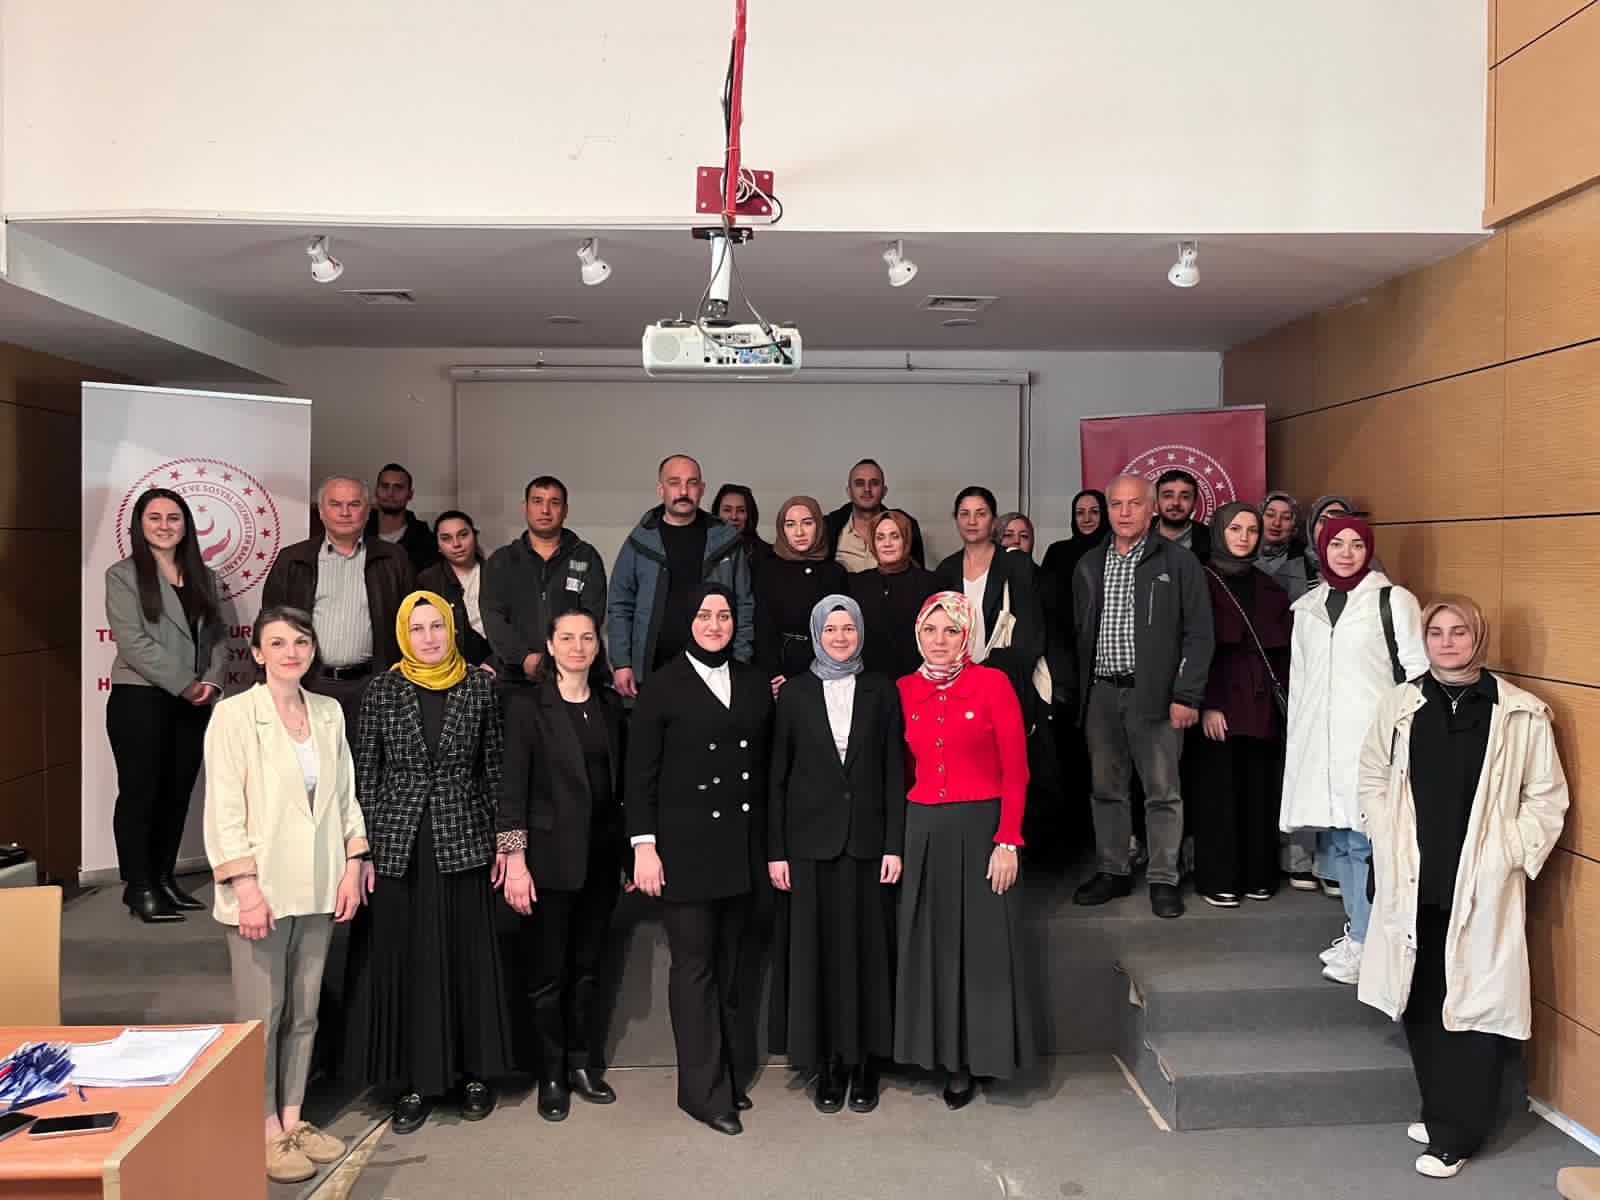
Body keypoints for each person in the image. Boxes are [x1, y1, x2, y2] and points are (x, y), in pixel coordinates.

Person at [1357, 595, 1568, 1179]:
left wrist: (1510, 851)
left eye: (1459, 632)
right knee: (1422, 997)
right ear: (1424, 639)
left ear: (1478, 637)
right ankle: (1439, 1110)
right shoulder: (1401, 704)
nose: (1447, 642)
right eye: (1436, 632)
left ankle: (1458, 1134)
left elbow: (1546, 797)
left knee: (1475, 1004)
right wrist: (1385, 833)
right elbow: (1372, 773)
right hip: (1414, 876)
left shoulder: (1520, 713)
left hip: (1481, 880)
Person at [202, 606, 371, 1185]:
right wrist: (245, 888)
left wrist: (353, 864)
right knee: (262, 1016)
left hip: (318, 885)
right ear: (257, 653)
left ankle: (294, 1118)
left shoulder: (327, 712)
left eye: (301, 641)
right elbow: (224, 810)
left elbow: (346, 796)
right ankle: (263, 1128)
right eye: (277, 643)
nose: (291, 652)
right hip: (262, 891)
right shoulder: (233, 716)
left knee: (303, 1013)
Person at [345, 591, 511, 1133]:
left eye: (437, 626)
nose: (429, 638)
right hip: (400, 846)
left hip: (465, 840)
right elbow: (367, 775)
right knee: (410, 961)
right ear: (403, 635)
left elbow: (495, 770)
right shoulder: (382, 690)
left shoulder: (480, 687)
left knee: (467, 958)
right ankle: (414, 1082)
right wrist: (365, 851)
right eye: (417, 629)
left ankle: (474, 1075)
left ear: (452, 629)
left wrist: (504, 844)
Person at [626, 583, 772, 1136]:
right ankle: (702, 1093)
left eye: (724, 615)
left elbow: (765, 770)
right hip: (683, 851)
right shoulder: (662, 686)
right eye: (705, 614)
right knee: (695, 970)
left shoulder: (754, 682)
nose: (715, 624)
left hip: (740, 847)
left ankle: (726, 1077)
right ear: (688, 620)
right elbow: (639, 776)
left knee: (731, 970)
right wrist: (643, 847)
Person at [767, 594, 904, 1115]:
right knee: (817, 956)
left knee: (866, 955)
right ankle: (825, 1063)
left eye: (848, 628)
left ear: (860, 632)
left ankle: (863, 1062)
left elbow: (894, 771)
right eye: (830, 629)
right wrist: (776, 851)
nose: (840, 637)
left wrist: (894, 844)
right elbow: (777, 778)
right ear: (816, 634)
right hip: (809, 846)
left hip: (867, 845)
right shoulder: (795, 693)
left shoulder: (882, 690)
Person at [894, 592, 1033, 1107]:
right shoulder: (904, 690)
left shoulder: (993, 683)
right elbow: (899, 772)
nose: (939, 640)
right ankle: (950, 1062)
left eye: (950, 630)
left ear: (966, 635)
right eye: (930, 630)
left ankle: (986, 1055)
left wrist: (1008, 839)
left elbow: (1016, 769)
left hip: (982, 831)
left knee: (985, 948)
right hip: (924, 830)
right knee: (938, 948)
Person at [1281, 517, 1427, 984]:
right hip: (1322, 748)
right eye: (1337, 544)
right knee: (1341, 842)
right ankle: (1360, 933)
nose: (1346, 553)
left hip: (1373, 742)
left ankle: (1372, 942)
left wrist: (1402, 736)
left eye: (1357, 544)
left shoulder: (1394, 600)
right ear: (1322, 550)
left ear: (1369, 550)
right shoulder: (1308, 608)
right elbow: (1300, 684)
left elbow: (1417, 674)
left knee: (1368, 843)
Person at [497, 609, 629, 1122]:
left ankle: (580, 1063)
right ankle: (550, 1073)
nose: (578, 646)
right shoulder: (528, 706)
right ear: (550, 647)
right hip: (548, 860)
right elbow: (512, 788)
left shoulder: (610, 705)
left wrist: (627, 854)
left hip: (601, 859)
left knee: (588, 969)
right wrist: (515, 861)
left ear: (597, 646)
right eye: (567, 638)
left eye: (587, 637)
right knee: (548, 974)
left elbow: (619, 787)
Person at [1071, 474, 1213, 919]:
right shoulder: (1089, 564)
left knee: (1162, 791)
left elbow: (1199, 633)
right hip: (1101, 692)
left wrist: (1187, 694)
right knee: (1106, 788)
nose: (1125, 512)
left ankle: (1164, 877)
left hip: (1156, 695)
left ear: (1152, 510)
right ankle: (1113, 870)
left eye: (1134, 504)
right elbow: (1079, 632)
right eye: (1116, 504)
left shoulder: (1178, 562)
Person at [104, 488, 227, 922]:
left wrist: (210, 680)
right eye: (154, 517)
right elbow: (133, 642)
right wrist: (186, 684)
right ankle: (139, 886)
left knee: (176, 794)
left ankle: (162, 877)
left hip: (193, 702)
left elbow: (217, 636)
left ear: (186, 525)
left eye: (173, 518)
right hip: (141, 697)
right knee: (141, 794)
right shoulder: (122, 575)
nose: (164, 525)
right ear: (140, 524)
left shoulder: (204, 576)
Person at [1191, 503, 1291, 907]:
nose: (1244, 537)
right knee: (1219, 791)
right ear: (1219, 531)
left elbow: (1282, 651)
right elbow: (1195, 647)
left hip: (1261, 703)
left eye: (1251, 529)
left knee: (1258, 789)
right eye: (1235, 528)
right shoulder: (1200, 580)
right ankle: (1219, 877)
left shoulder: (1270, 587)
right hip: (1220, 702)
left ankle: (1258, 874)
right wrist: (1209, 703)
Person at [261, 475, 414, 737]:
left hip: (373, 685)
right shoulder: (292, 560)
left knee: (365, 760)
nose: (345, 512)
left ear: (367, 511)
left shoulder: (394, 559)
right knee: (311, 759)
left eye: (354, 504)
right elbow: (269, 627)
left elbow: (411, 623)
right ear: (321, 512)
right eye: (335, 504)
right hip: (310, 684)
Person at [609, 454, 754, 697]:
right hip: (653, 670)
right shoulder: (639, 542)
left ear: (702, 489)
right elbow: (620, 605)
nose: (684, 491)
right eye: (674, 482)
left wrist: (740, 660)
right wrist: (622, 662)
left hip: (715, 669)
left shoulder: (725, 540)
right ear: (661, 489)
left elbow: (744, 604)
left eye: (692, 483)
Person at [481, 476, 607, 687]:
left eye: (554, 502)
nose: (545, 510)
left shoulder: (586, 556)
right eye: (537, 501)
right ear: (525, 507)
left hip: (574, 675)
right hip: (514, 677)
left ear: (565, 510)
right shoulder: (502, 560)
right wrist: (523, 657)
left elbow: (592, 615)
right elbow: (493, 616)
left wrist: (560, 658)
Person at [933, 486, 1045, 712]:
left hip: (1005, 682)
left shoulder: (1016, 564)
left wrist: (988, 674)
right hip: (957, 685)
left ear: (993, 521)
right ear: (956, 519)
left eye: (980, 513)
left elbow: (1030, 633)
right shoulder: (947, 569)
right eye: (964, 514)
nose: (972, 521)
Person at [753, 495, 849, 694]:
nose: (799, 532)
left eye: (807, 523)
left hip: (825, 672)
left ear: (819, 526)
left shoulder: (835, 573)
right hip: (779, 671)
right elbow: (763, 628)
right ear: (782, 529)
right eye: (790, 524)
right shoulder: (767, 571)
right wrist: (773, 674)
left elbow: (841, 629)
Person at [847, 510, 941, 681]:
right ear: (872, 542)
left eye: (895, 536)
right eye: (880, 537)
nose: (887, 543)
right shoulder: (856, 584)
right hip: (868, 682)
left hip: (917, 680)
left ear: (906, 540)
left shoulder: (930, 583)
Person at [416, 510, 493, 669]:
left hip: (497, 665)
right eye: (446, 538)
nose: (456, 544)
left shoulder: (496, 573)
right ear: (438, 545)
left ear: (475, 536)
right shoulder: (428, 581)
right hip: (447, 666)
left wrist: (495, 663)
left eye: (463, 535)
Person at [822, 458, 927, 572]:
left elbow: (918, 574)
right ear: (849, 491)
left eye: (874, 483)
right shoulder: (828, 527)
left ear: (884, 491)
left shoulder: (905, 525)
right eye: (859, 483)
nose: (867, 489)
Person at [367, 462, 440, 574]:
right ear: (376, 491)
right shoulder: (357, 532)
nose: (390, 493)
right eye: (385, 486)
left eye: (398, 487)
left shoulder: (425, 541)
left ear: (410, 494)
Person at [1039, 489, 1109, 581]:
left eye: (1094, 512)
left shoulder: (1116, 550)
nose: (1087, 519)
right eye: (1080, 513)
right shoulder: (1057, 552)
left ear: (1105, 514)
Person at [1256, 491, 1312, 604]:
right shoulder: (1242, 553)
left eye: (1286, 518)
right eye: (1270, 515)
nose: (1276, 523)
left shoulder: (1308, 560)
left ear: (1294, 525)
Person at [1152, 469, 1211, 559]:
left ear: (1194, 503)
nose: (1176, 503)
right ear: (1156, 500)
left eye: (1185, 497)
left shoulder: (1212, 541)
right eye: (1168, 496)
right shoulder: (1136, 533)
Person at [713, 483, 773, 567]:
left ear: (749, 515)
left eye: (741, 510)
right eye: (727, 510)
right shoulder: (703, 550)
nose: (734, 517)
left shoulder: (769, 555)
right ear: (716, 514)